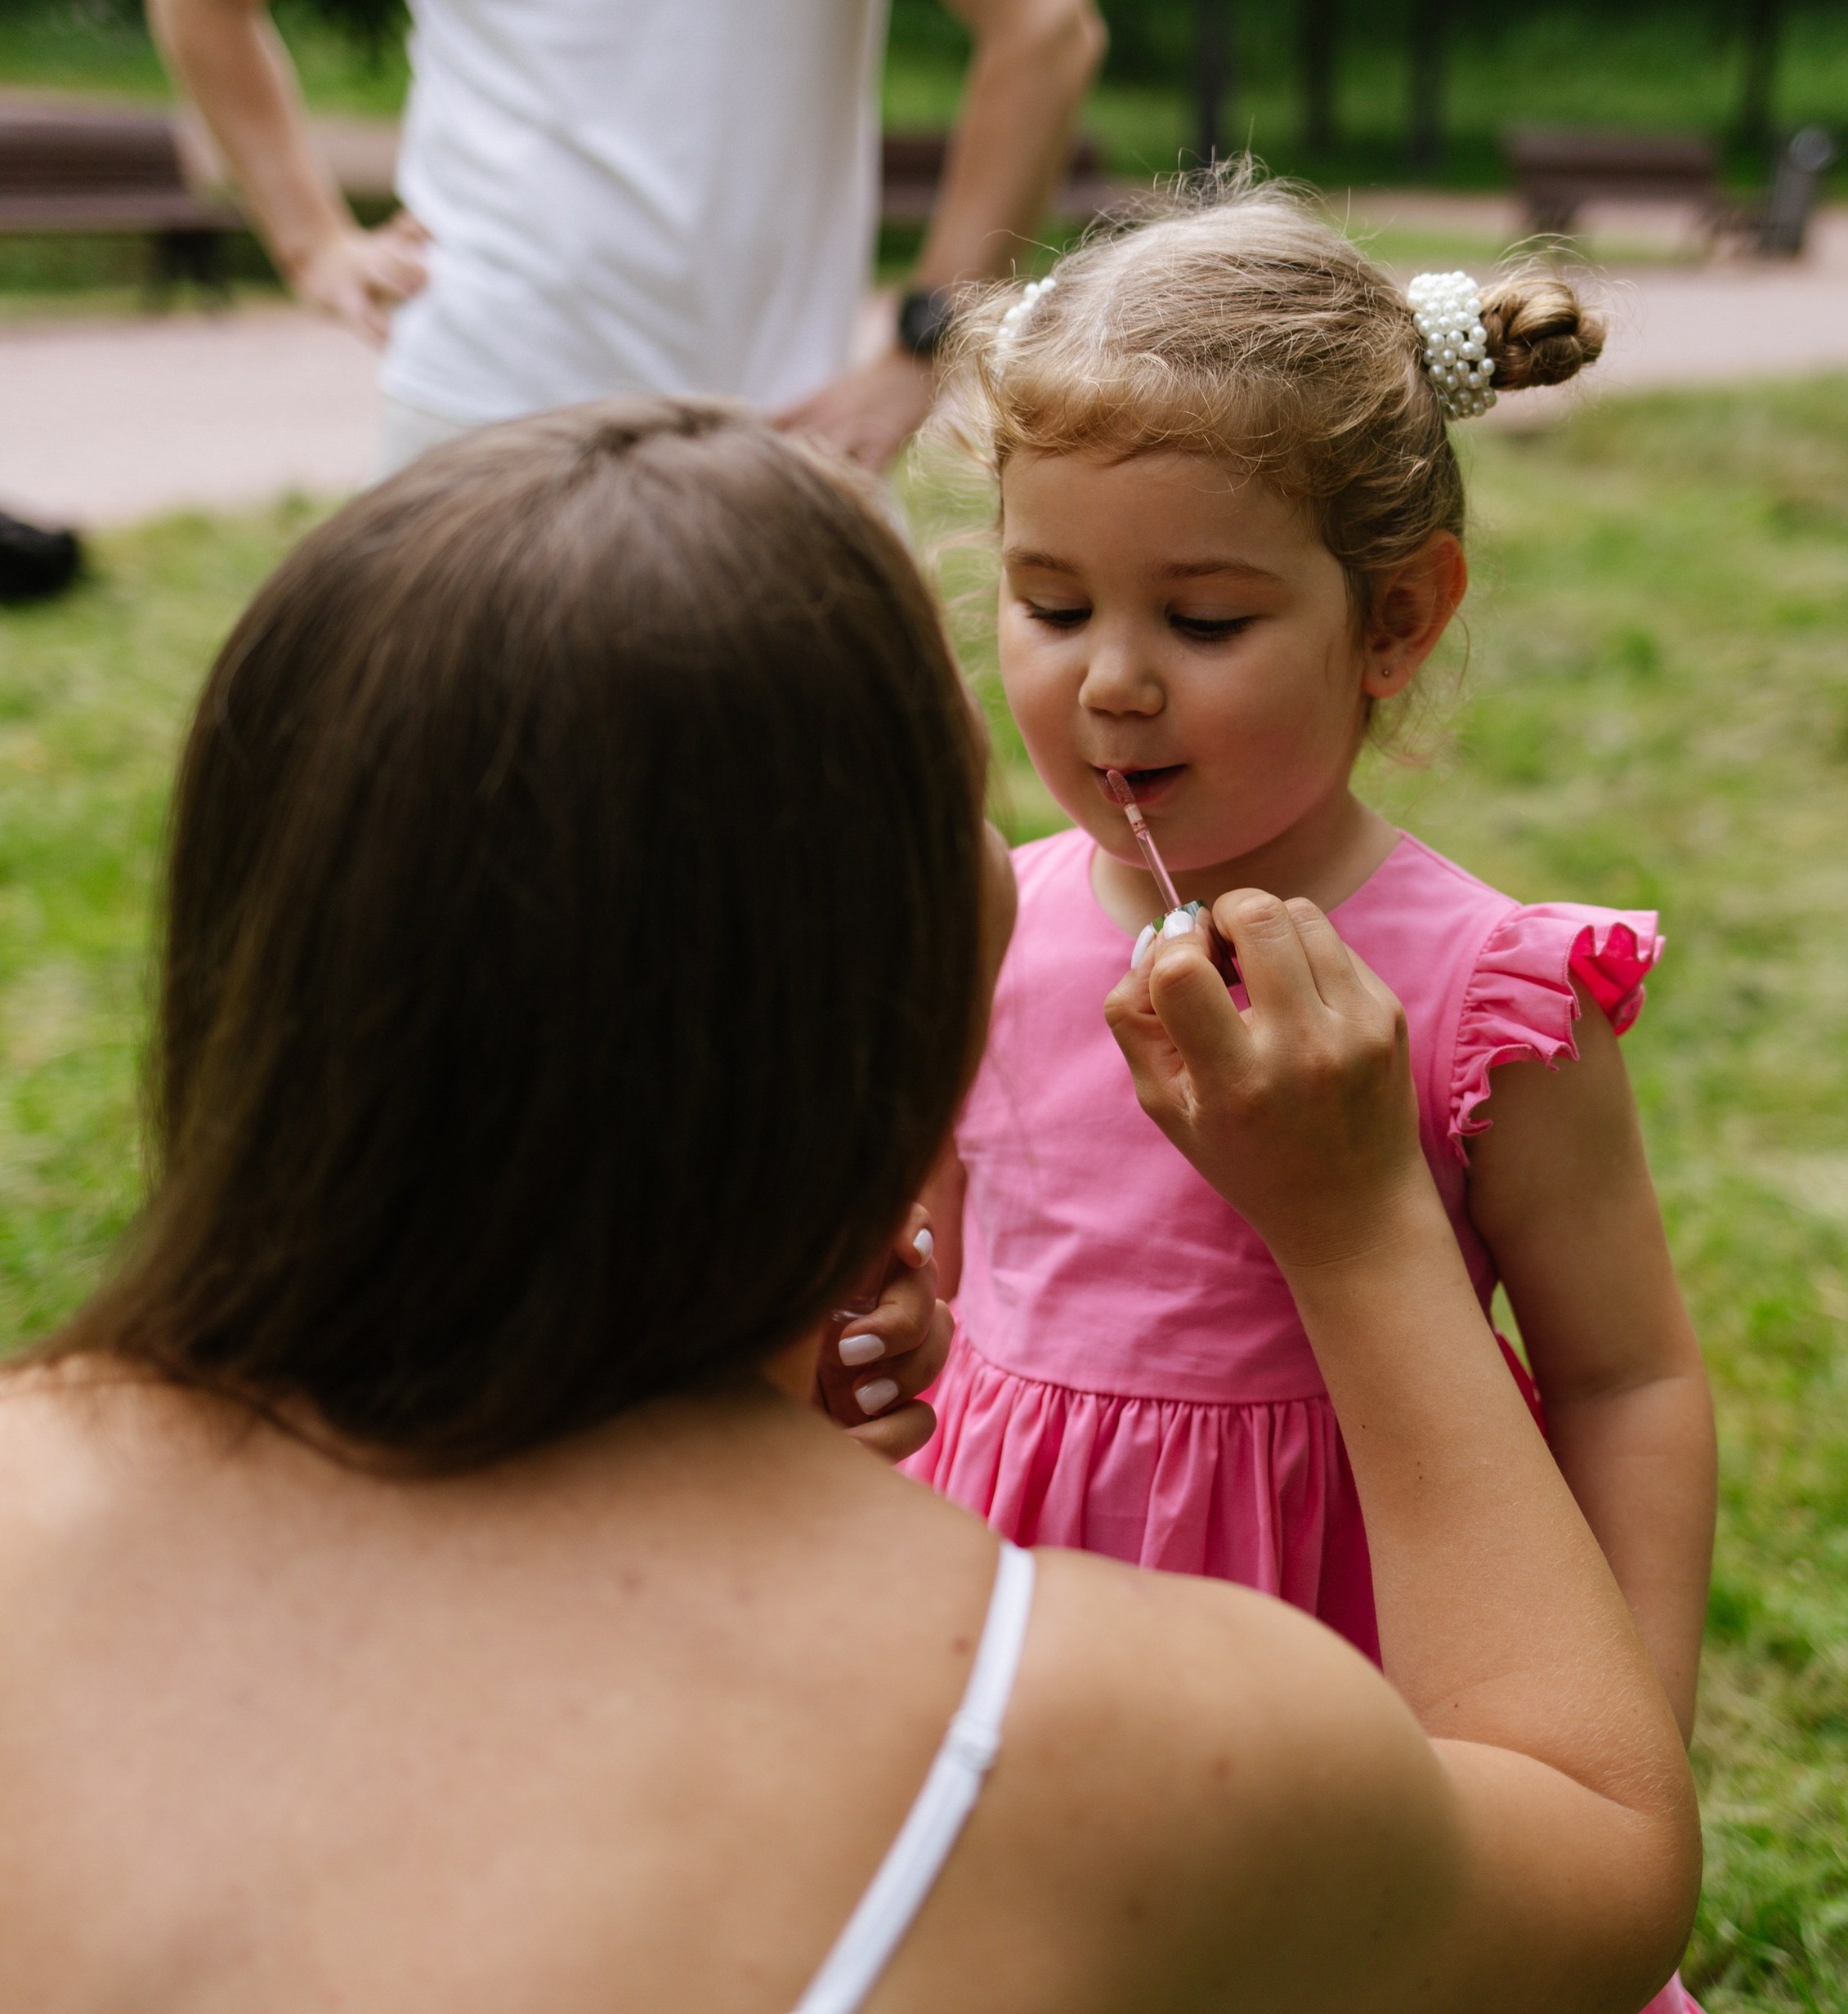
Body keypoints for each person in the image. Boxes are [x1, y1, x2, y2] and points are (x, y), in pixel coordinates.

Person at [0, 399, 1696, 2012]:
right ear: (852, 994)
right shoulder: (1113, 1742)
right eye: (961, 783)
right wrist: (1358, 1228)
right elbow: (1599, 1854)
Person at [903, 184, 1719, 2006]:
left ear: (1395, 616)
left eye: (1200, 617)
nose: (1108, 678)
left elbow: (1625, 1371)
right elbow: (942, 1263)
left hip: (1357, 1628)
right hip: (1025, 1609)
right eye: (1048, 600)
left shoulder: (1483, 992)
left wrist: (1620, 1741)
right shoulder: (980, 927)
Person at [143, 0, 1103, 476]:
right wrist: (311, 243)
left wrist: (927, 340)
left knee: (812, 822)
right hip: (476, 410)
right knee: (463, 818)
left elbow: (1043, 18)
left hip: (773, 432)